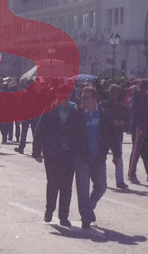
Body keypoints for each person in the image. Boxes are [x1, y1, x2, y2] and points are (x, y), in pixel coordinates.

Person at [32, 88, 78, 227]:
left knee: (66, 186)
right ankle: (49, 211)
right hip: (52, 153)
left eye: (67, 96)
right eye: (62, 96)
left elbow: (80, 133)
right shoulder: (49, 111)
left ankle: (64, 216)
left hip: (69, 153)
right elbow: (39, 132)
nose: (65, 99)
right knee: (52, 182)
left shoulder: (75, 111)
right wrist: (36, 152)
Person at [69, 85, 108, 228]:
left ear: (94, 99)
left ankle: (88, 208)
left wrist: (116, 153)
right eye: (81, 97)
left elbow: (111, 134)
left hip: (98, 156)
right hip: (82, 157)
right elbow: (69, 133)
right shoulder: (77, 113)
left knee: (101, 186)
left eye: (85, 98)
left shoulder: (103, 113)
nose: (82, 100)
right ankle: (85, 217)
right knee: (82, 189)